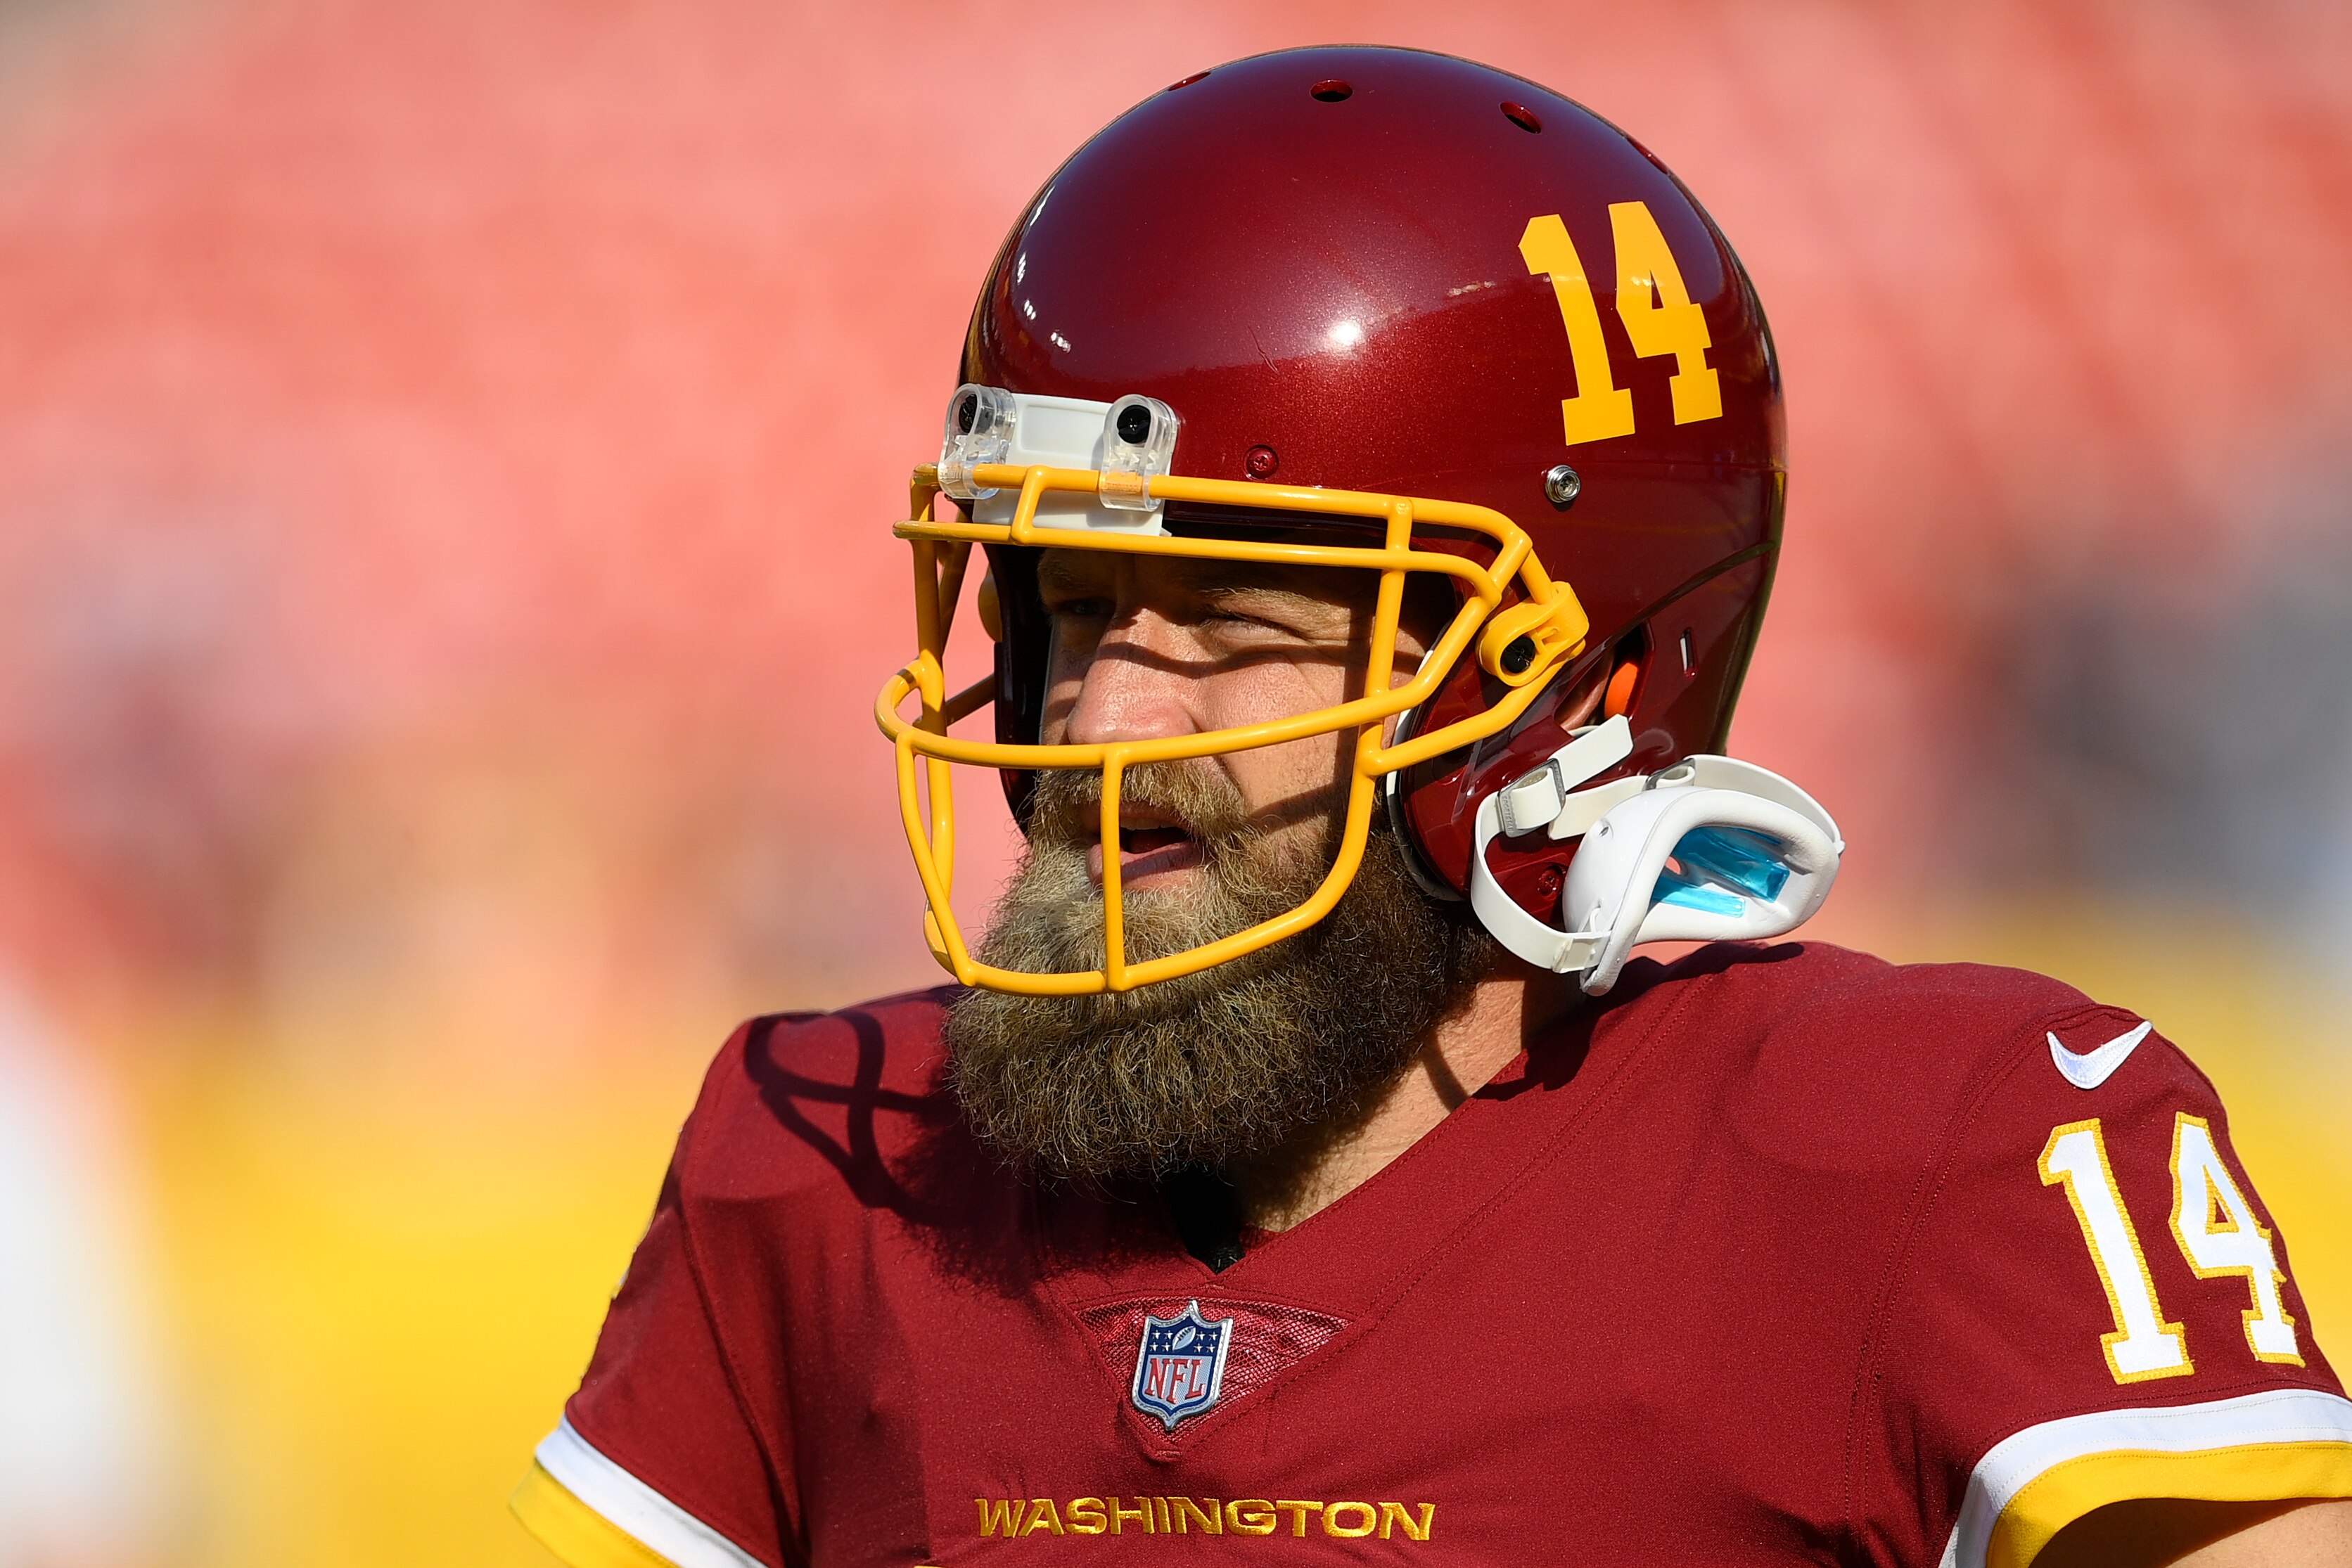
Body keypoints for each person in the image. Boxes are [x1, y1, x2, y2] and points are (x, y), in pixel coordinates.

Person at [511, 46, 2352, 1568]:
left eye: (1235, 628)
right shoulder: (828, 1164)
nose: (1109, 716)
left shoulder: (1933, 1151)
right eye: (1063, 611)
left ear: (1583, 682)